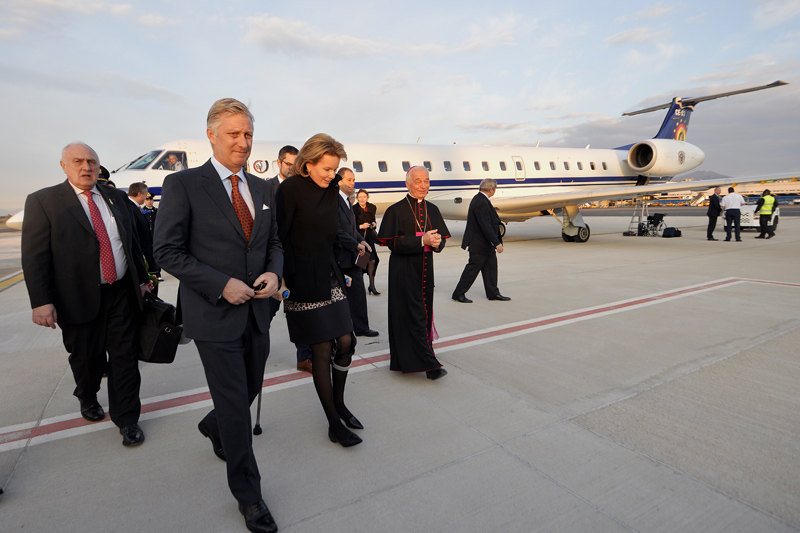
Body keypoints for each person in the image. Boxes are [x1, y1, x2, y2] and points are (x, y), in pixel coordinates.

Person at [153, 98, 282, 533]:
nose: (243, 142)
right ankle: (250, 496)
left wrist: (273, 271)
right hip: (213, 316)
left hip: (259, 313)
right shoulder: (184, 184)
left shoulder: (264, 189)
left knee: (246, 390)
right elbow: (167, 251)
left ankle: (213, 427)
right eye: (234, 134)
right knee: (235, 407)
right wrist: (218, 284)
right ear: (211, 135)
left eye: (248, 134)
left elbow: (275, 243)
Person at [21, 142, 149, 447]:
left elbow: (131, 245)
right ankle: (88, 395)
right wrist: (41, 301)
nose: (86, 167)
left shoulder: (117, 198)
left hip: (120, 293)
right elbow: (34, 256)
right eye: (78, 161)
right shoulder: (44, 201)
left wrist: (143, 279)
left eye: (92, 161)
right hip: (74, 297)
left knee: (125, 358)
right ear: (64, 166)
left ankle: (127, 419)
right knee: (87, 359)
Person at [275, 133, 364, 448]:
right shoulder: (289, 191)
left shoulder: (330, 192)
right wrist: (279, 276)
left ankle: (339, 404)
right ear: (307, 163)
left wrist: (356, 246)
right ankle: (332, 423)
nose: (332, 175)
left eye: (335, 169)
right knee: (322, 350)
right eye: (326, 168)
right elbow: (279, 238)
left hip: (329, 275)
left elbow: (336, 232)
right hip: (301, 280)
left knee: (346, 341)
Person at [377, 166, 450, 380]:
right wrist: (421, 240)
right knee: (412, 315)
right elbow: (392, 245)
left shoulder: (433, 209)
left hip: (426, 272)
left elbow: (441, 240)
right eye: (418, 181)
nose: (423, 185)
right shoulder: (396, 210)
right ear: (407, 183)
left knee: (423, 315)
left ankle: (411, 360)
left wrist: (436, 244)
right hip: (403, 272)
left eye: (426, 181)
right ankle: (430, 365)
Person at [266, 145, 313, 373]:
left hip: (297, 261)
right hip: (273, 263)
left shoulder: (304, 189)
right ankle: (255, 351)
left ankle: (304, 357)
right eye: (288, 165)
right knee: (267, 311)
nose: (293, 169)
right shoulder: (265, 188)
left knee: (301, 310)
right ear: (279, 163)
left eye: (297, 165)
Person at [452, 178, 510, 303]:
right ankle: (458, 293)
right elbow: (485, 225)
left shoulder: (481, 199)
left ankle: (493, 293)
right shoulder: (481, 201)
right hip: (479, 244)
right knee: (472, 270)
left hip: (485, 245)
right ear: (491, 189)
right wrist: (497, 243)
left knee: (491, 268)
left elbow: (488, 220)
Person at [337, 169, 379, 337]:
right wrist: (356, 244)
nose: (352, 183)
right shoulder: (334, 201)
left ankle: (361, 327)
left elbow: (351, 229)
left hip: (354, 256)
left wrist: (361, 240)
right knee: (343, 297)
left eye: (354, 179)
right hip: (341, 256)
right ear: (339, 181)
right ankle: (346, 328)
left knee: (358, 293)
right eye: (349, 180)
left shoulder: (347, 201)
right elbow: (337, 231)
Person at [127, 182, 159, 284]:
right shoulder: (130, 208)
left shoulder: (134, 207)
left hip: (146, 252)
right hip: (142, 254)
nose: (146, 196)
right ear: (140, 194)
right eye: (145, 194)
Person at [353, 189, 380, 295]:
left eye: (364, 197)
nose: (362, 199)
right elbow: (351, 226)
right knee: (362, 263)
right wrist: (360, 226)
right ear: (357, 198)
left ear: (367, 198)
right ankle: (360, 287)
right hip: (360, 238)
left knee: (372, 261)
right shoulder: (354, 209)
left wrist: (373, 224)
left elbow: (374, 221)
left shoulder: (372, 207)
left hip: (369, 237)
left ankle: (372, 285)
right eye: (360, 197)